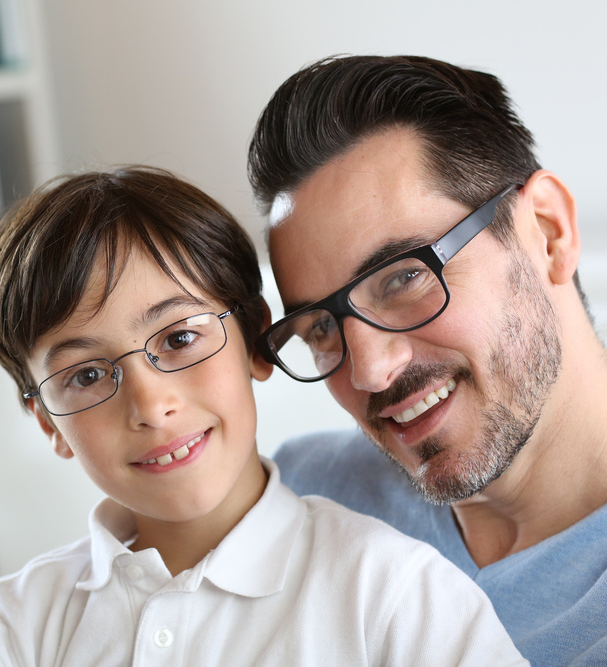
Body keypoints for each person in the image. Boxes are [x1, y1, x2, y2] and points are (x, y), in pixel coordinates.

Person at [0, 165, 526, 665]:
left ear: (256, 342)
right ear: (49, 422)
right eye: (88, 376)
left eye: (179, 339)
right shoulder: (6, 630)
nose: (151, 406)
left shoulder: (397, 595)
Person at [248, 54, 607, 665]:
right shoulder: (294, 498)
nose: (370, 372)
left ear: (548, 233)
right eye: (321, 328)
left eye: (404, 277)